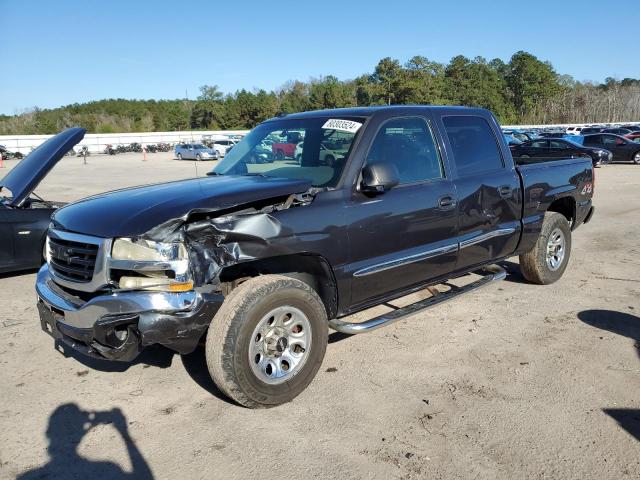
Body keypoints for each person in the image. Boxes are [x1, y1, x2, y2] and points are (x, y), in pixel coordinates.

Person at [17, 403, 153, 479]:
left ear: (48, 434)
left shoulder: (27, 477)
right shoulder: (107, 467)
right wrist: (122, 430)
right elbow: (145, 477)